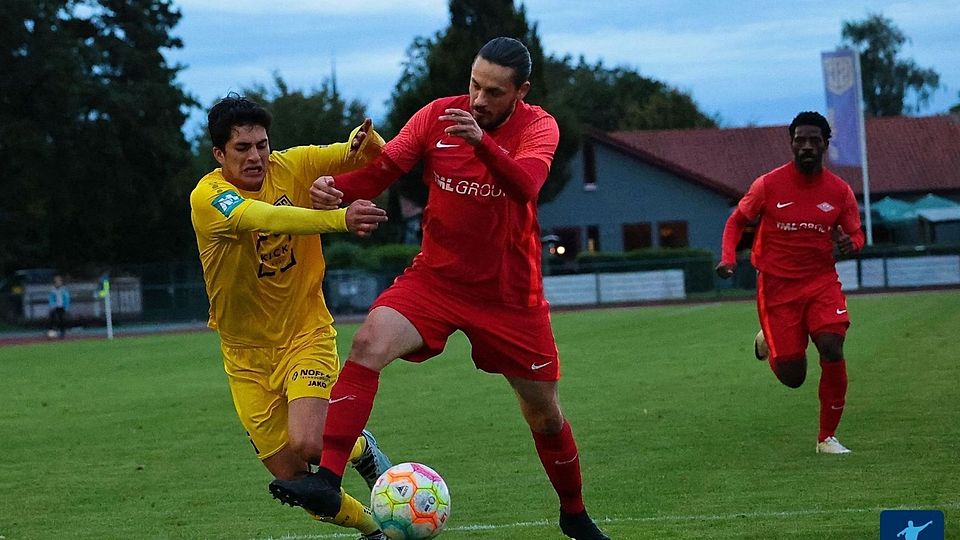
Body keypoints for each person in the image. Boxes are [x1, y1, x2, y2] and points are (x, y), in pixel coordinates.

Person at [268, 37, 611, 540]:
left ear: (521, 92)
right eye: (474, 84)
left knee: (544, 413)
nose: (478, 99)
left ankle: (574, 514)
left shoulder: (539, 127)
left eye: (494, 92)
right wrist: (333, 190)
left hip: (509, 298)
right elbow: (383, 169)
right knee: (367, 345)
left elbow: (526, 186)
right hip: (436, 281)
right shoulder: (437, 116)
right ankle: (328, 480)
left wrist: (482, 144)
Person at [189, 95, 393, 540]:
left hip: (305, 331)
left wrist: (366, 139)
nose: (256, 156)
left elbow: (373, 154)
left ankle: (359, 453)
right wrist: (338, 217)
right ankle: (375, 527)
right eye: (242, 148)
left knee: (310, 442)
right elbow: (260, 215)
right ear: (218, 154)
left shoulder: (294, 164)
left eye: (262, 145)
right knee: (299, 483)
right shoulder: (208, 198)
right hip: (244, 358)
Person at [715, 111, 864, 454]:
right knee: (793, 376)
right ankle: (768, 340)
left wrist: (851, 244)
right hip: (777, 287)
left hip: (821, 282)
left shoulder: (839, 192)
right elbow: (736, 221)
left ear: (826, 145)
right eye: (801, 140)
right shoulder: (768, 185)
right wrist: (727, 258)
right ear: (792, 143)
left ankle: (826, 438)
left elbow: (856, 234)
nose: (807, 146)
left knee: (832, 347)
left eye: (814, 140)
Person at [48, 275, 70, 339]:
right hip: (55, 307)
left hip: (62, 306)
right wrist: (52, 305)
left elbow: (67, 298)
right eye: (56, 282)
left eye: (59, 281)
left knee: (62, 320)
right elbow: (51, 298)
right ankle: (52, 332)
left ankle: (62, 333)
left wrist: (66, 307)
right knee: (52, 320)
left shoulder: (64, 289)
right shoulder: (52, 290)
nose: (57, 283)